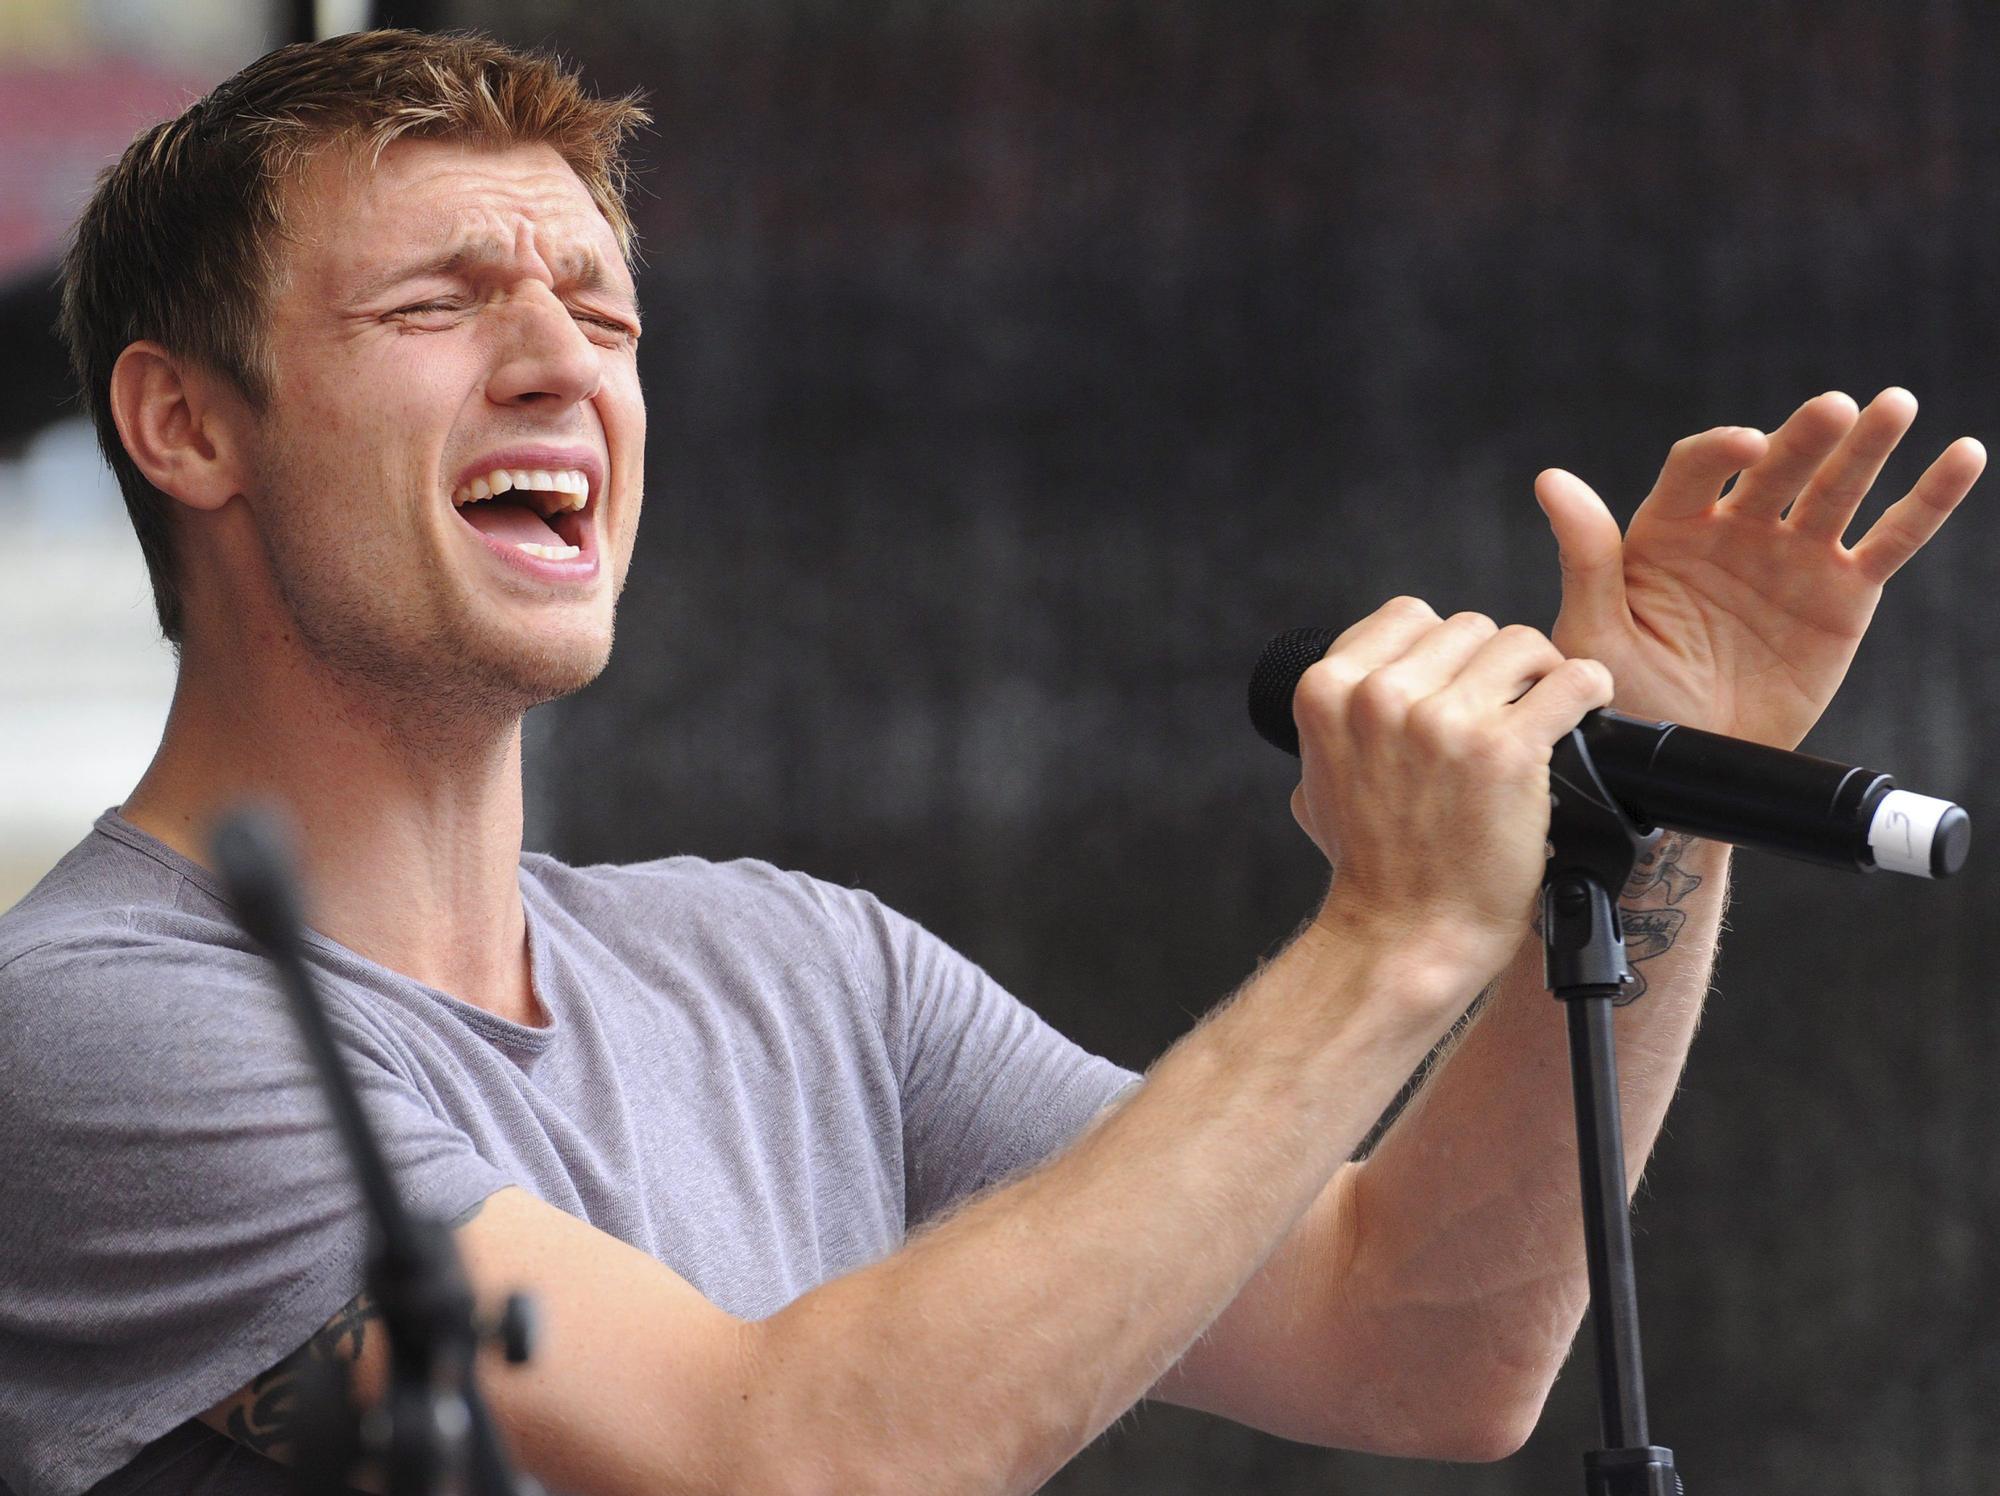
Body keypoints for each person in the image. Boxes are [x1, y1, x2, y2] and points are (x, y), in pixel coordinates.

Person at [0, 28, 1981, 1496]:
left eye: (603, 310)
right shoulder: (99, 1032)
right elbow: (779, 1460)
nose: (563, 364)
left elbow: (1418, 1341)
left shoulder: (789, 970)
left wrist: (1650, 810)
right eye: (440, 302)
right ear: (184, 423)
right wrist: (1380, 939)